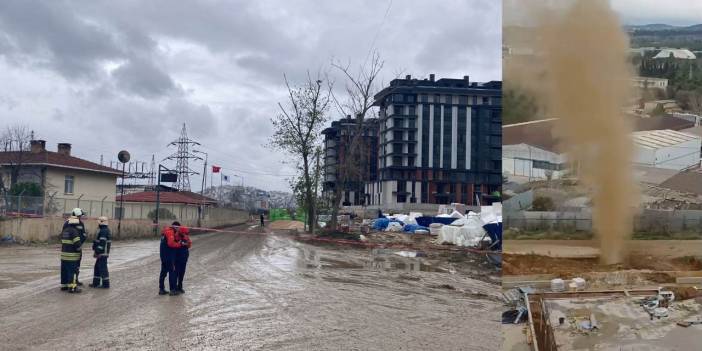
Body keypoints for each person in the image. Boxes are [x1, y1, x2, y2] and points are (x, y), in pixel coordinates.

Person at [63, 208, 87, 286]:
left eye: (80, 216)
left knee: (76, 266)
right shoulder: (67, 223)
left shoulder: (81, 223)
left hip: (78, 247)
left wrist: (79, 244)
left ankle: (75, 280)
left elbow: (84, 235)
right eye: (79, 216)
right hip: (70, 248)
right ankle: (69, 284)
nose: (80, 217)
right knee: (69, 267)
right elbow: (63, 235)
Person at [60, 217, 83, 293]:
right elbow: (77, 244)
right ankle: (72, 287)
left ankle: (64, 286)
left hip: (64, 256)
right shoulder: (74, 231)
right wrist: (79, 251)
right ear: (76, 224)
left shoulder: (65, 231)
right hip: (72, 256)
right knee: (72, 272)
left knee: (64, 271)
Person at [159, 221, 182, 296]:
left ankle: (161, 289)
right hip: (168, 256)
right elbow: (171, 244)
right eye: (178, 228)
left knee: (163, 272)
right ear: (176, 227)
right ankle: (172, 290)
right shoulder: (170, 232)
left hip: (163, 255)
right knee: (172, 272)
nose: (179, 230)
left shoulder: (165, 231)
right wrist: (179, 244)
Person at [90, 216, 111, 288]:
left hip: (102, 253)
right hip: (102, 253)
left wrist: (97, 252)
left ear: (101, 223)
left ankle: (105, 284)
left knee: (102, 268)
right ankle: (95, 283)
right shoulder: (103, 230)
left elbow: (102, 243)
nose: (98, 224)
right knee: (97, 268)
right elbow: (99, 241)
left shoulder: (103, 231)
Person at [174, 226, 192, 294]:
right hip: (177, 258)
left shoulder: (186, 237)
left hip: (184, 257)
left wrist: (186, 243)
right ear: (181, 232)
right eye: (185, 233)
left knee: (182, 273)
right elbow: (172, 244)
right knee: (176, 272)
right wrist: (181, 243)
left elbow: (190, 244)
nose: (186, 234)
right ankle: (174, 288)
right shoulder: (176, 237)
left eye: (186, 233)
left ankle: (180, 287)